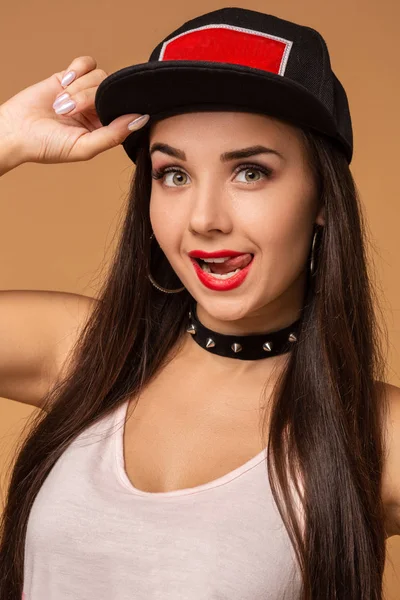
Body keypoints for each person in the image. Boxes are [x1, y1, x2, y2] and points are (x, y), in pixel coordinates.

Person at [0, 6, 399, 600]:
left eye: (250, 172)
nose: (205, 220)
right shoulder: (87, 353)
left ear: (321, 196)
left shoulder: (378, 435)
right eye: (175, 175)